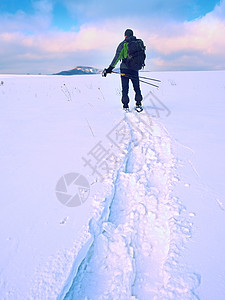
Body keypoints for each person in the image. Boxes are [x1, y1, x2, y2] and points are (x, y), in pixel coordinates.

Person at [103, 29, 144, 112]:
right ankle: (138, 103)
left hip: (124, 69)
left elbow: (117, 57)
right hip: (135, 69)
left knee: (125, 88)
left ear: (125, 35)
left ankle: (125, 106)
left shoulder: (122, 45)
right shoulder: (139, 43)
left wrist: (110, 69)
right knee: (137, 87)